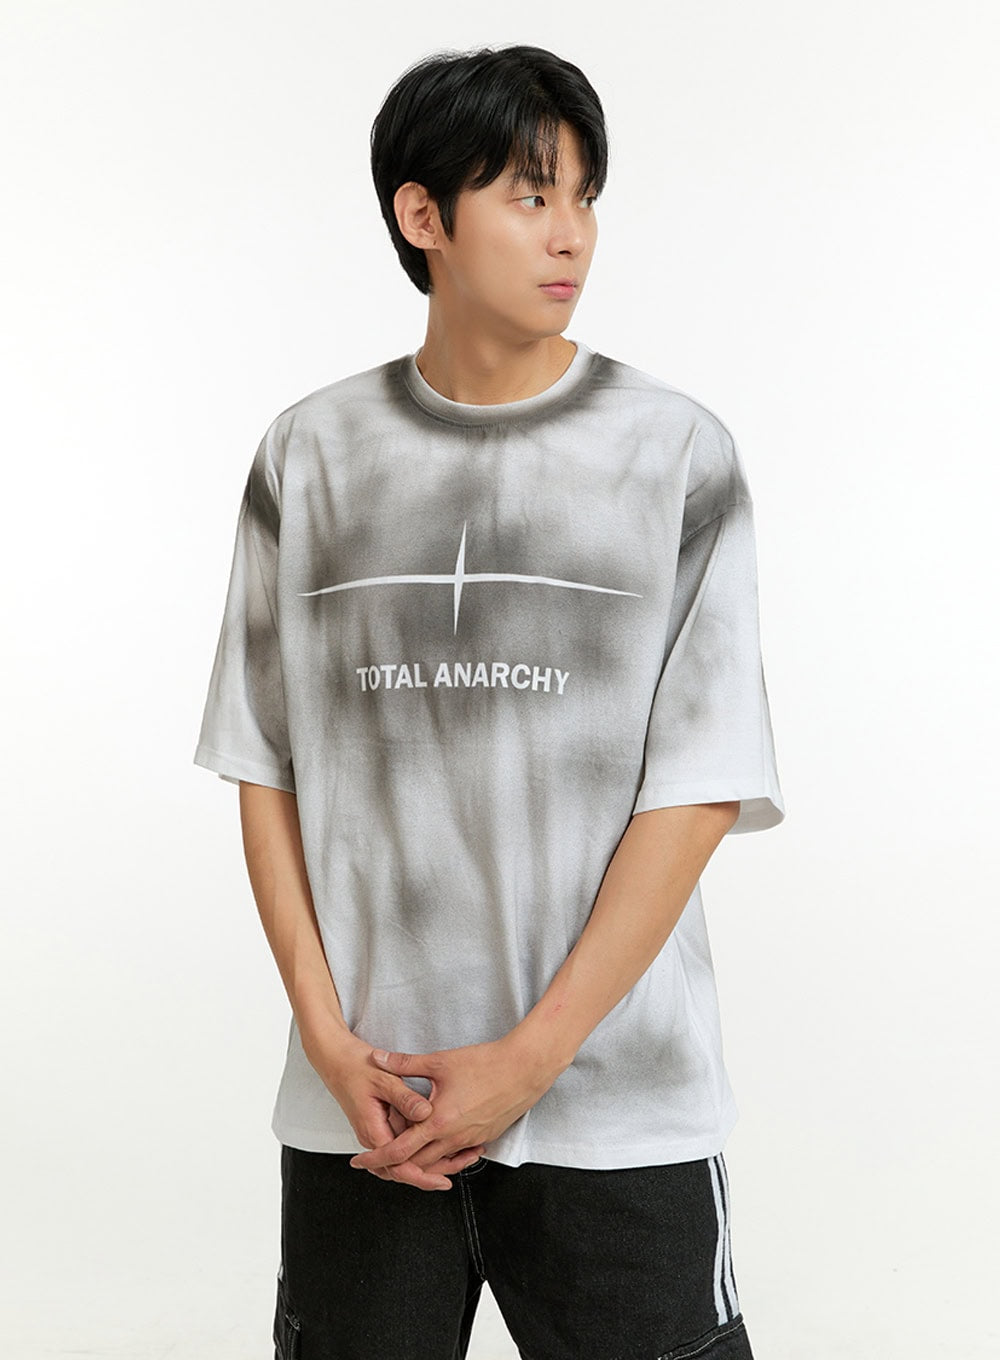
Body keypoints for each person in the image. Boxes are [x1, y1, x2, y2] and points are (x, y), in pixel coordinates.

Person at [194, 42, 785, 1360]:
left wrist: (528, 1062)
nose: (571, 234)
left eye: (584, 198)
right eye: (530, 195)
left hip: (614, 1112)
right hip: (368, 1121)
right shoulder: (309, 454)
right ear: (424, 216)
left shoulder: (674, 454)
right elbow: (265, 767)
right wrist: (329, 1043)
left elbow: (698, 791)